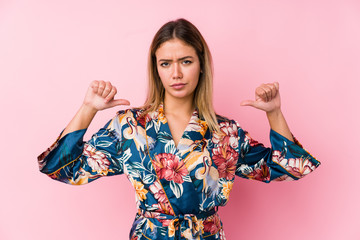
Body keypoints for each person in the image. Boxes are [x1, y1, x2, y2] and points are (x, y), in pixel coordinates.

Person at [37, 18, 320, 240]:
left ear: (200, 66)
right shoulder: (129, 127)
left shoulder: (226, 133)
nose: (176, 73)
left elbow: (290, 167)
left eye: (185, 61)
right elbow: (61, 168)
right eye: (166, 63)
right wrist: (88, 108)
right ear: (156, 69)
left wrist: (274, 113)